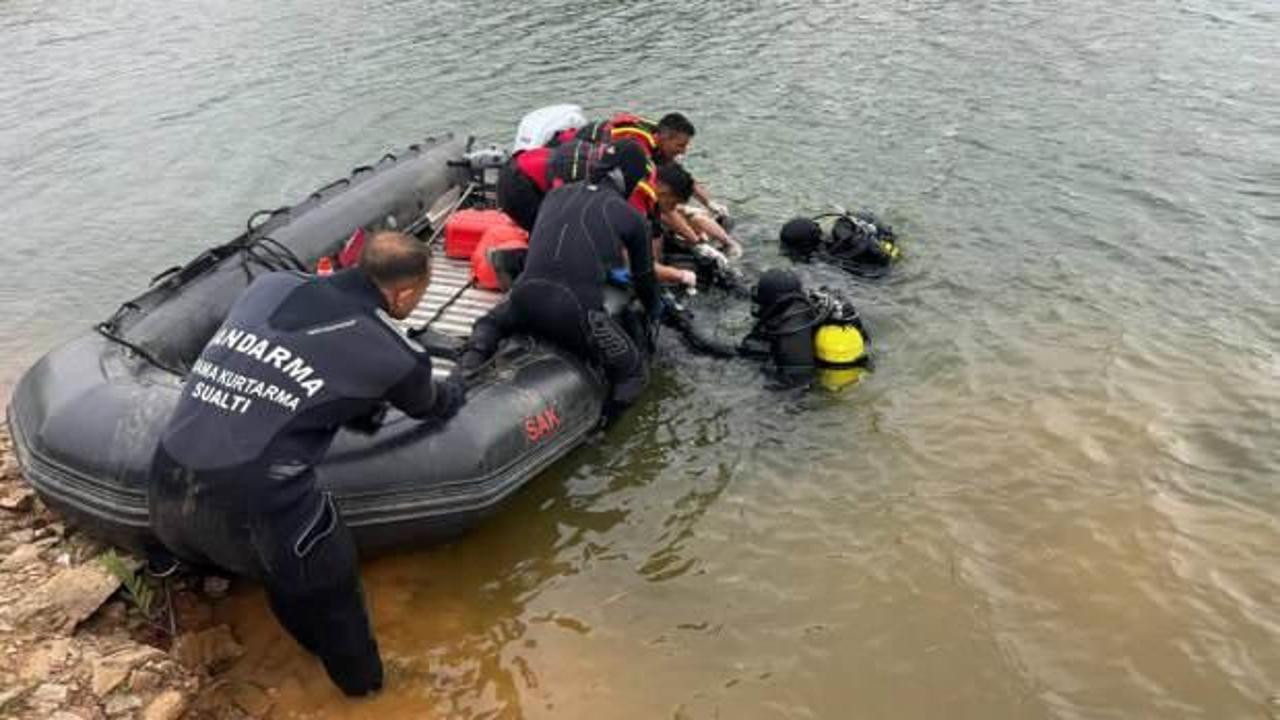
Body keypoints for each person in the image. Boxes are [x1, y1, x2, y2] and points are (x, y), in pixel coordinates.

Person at [147, 231, 466, 697]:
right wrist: (461, 386)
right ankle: (370, 698)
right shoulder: (395, 353)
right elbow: (430, 405)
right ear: (406, 293)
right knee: (335, 603)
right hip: (261, 508)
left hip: (163, 488)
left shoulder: (269, 287)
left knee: (283, 570)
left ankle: (306, 656)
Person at [463, 141, 660, 420]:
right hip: (576, 316)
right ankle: (604, 433)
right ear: (628, 177)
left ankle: (467, 369)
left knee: (490, 322)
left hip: (523, 302)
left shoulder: (554, 196)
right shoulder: (630, 217)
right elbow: (645, 281)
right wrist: (653, 315)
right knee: (633, 374)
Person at [739, 268, 871, 390]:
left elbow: (796, 384)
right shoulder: (813, 309)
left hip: (813, 389)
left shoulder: (790, 330)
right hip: (857, 372)